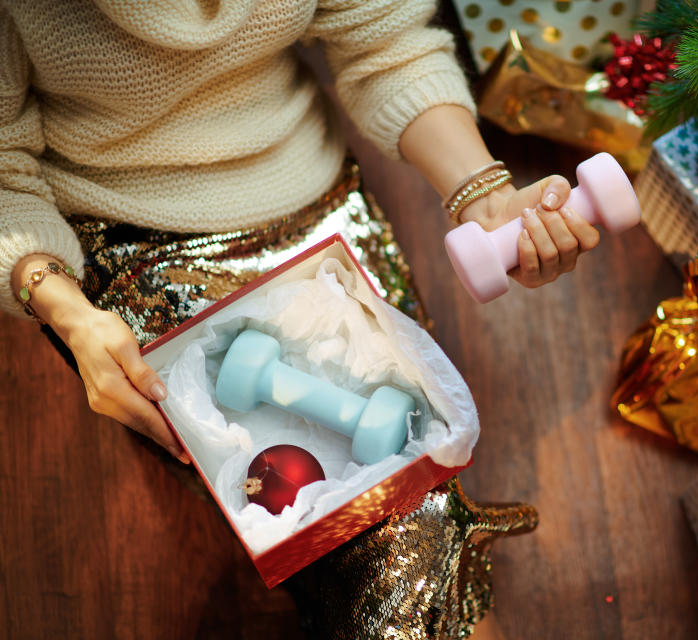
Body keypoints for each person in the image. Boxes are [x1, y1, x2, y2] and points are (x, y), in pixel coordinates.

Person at [0, 1, 596, 636]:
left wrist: (484, 194)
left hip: (309, 205)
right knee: (368, 536)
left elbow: (386, 40)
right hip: (130, 228)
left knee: (409, 455)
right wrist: (66, 313)